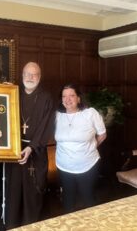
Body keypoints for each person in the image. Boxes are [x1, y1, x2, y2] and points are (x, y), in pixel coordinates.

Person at [5, 62, 54, 229]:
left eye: (34, 75)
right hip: (14, 151)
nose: (30, 77)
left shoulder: (46, 98)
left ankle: (31, 226)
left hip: (35, 152)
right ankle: (13, 225)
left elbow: (45, 125)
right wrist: (2, 92)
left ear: (39, 77)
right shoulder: (13, 93)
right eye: (27, 74)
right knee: (14, 192)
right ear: (22, 75)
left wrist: (31, 147)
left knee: (33, 193)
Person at [54, 84, 107, 213]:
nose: (68, 99)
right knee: (67, 199)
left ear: (78, 98)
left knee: (88, 198)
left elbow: (102, 134)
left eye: (72, 95)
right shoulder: (57, 116)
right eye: (64, 96)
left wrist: (92, 146)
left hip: (87, 165)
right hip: (63, 166)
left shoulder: (90, 113)